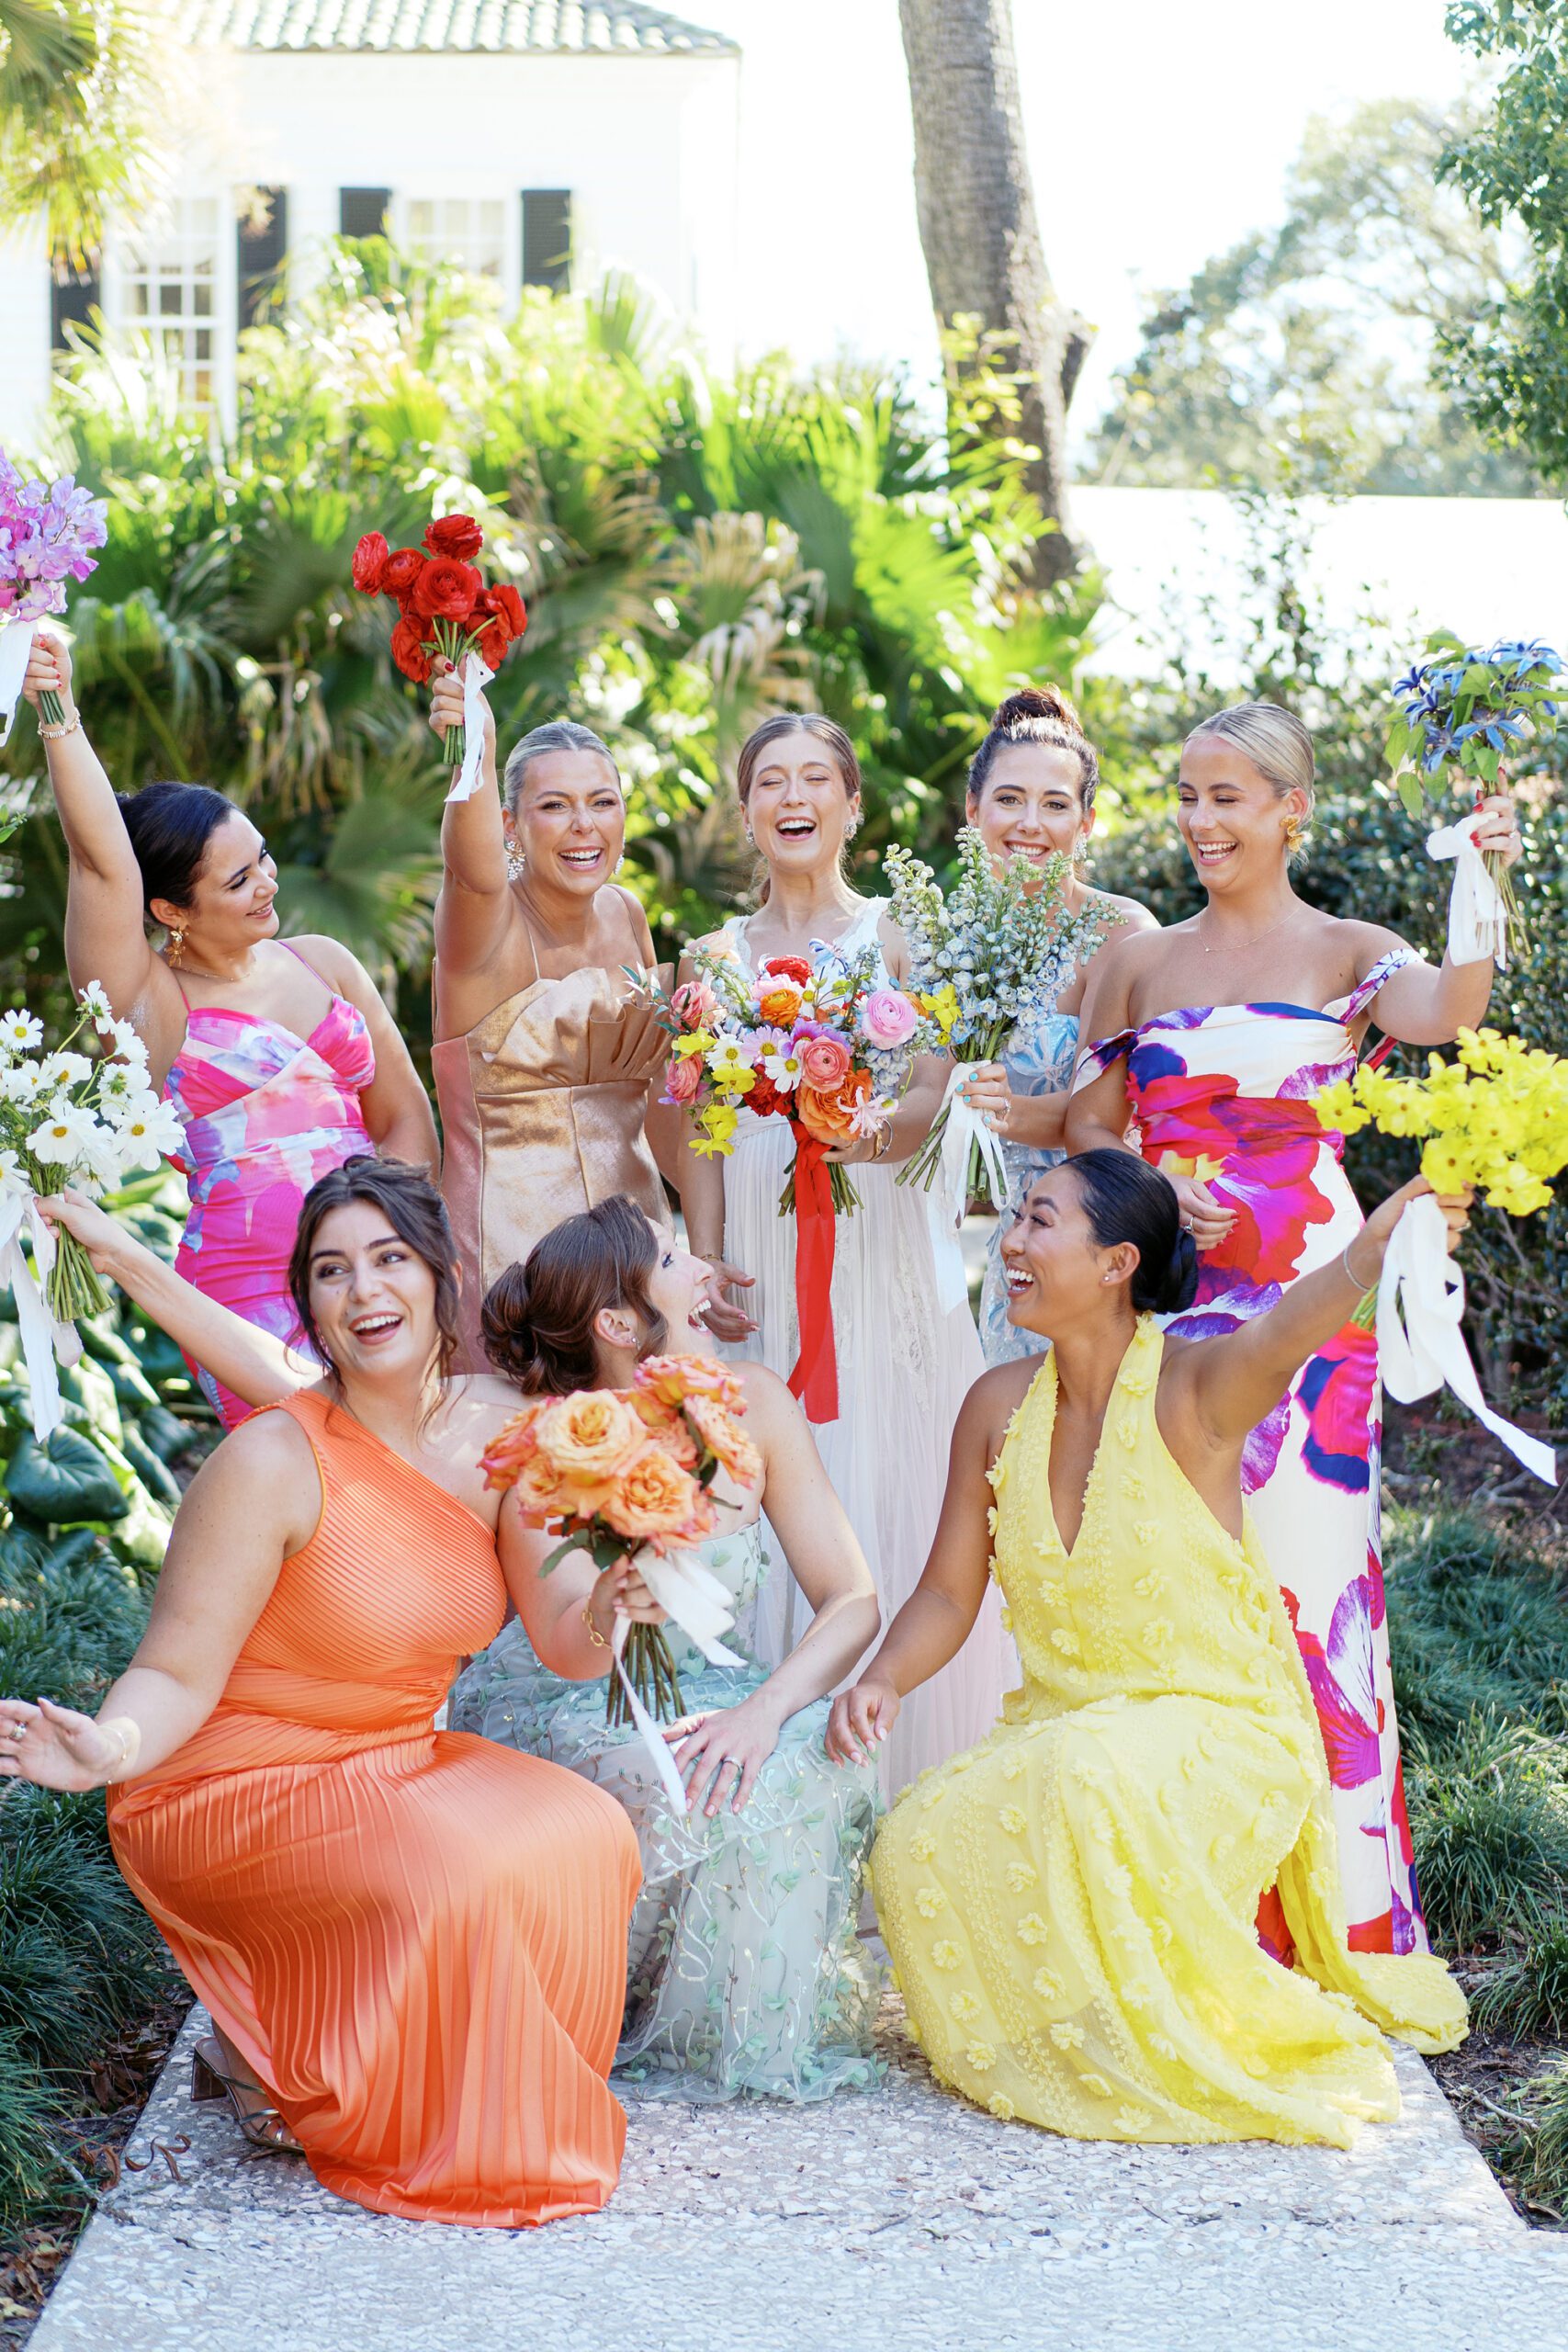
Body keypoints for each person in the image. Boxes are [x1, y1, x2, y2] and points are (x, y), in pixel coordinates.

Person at [3, 1159, 641, 2227]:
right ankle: (322, 2078)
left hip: (393, 1756)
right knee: (465, 1874)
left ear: (441, 1273)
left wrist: (618, 1601)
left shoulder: (506, 1431)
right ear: (311, 1304)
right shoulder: (272, 1459)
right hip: (228, 1777)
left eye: (390, 1258)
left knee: (589, 1830)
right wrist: (110, 1747)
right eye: (333, 1270)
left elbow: (568, 1642)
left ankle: (313, 2053)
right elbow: (173, 1669)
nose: (364, 1291)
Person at [829, 1151, 1468, 2146]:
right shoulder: (996, 1407)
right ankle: (1057, 2046)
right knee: (915, 1837)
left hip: (1221, 1729)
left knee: (1083, 1778)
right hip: (1065, 1730)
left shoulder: (1196, 1385)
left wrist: (1366, 1254)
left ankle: (1156, 2045)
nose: (1012, 1243)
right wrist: (880, 1678)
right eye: (1016, 1221)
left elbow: (1286, 1328)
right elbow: (949, 1593)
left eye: (1040, 1221)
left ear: (1119, 1260)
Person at [1064, 701, 1522, 1958]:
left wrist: (1478, 873)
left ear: (1287, 810)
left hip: (1314, 1299)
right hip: (1173, 1298)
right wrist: (1156, 1188)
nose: (1200, 820)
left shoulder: (1346, 950)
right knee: (1181, 1583)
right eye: (1187, 795)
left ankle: (1333, 1923)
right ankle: (1191, 1914)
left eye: (1227, 797)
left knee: (1309, 1582)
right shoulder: (1144, 963)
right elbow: (1089, 1124)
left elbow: (1453, 1010)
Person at [451, 1194, 885, 2103]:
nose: (704, 1268)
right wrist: (612, 1594)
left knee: (797, 1756)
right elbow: (568, 1648)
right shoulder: (549, 1443)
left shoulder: (755, 1401)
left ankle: (747, 2032)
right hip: (576, 1692)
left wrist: (767, 1712)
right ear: (618, 1320)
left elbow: (852, 1599)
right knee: (676, 1771)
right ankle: (611, 2009)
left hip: (723, 1685)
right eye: (677, 1258)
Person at [675, 713, 1008, 1799]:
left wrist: (861, 1133)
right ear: (746, 812)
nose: (793, 795)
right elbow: (704, 1124)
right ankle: (777, 1776)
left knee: (901, 1449)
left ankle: (914, 1777)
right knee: (789, 1454)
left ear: (852, 805)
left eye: (816, 776)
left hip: (880, 1228)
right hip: (772, 1245)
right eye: (770, 780)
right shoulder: (710, 958)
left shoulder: (903, 936)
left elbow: (928, 1093)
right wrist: (709, 1254)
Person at [19, 630, 436, 1427]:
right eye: (238, 879)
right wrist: (57, 710)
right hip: (248, 1289)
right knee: (315, 1475)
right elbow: (101, 863)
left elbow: (404, 1117)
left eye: (264, 858)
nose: (266, 883)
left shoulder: (325, 961)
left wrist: (401, 1241)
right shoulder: (156, 1011)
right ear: (171, 911)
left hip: (380, 1267)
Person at [426, 665, 671, 1369]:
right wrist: (477, 744)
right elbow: (469, 869)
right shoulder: (484, 924)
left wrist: (699, 1241)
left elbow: (657, 1094)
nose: (583, 825)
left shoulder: (626, 912)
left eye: (602, 802)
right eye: (554, 806)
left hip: (637, 1238)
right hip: (516, 1255)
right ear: (510, 824)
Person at [951, 687, 1156, 1364]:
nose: (1029, 824)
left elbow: (1102, 1112)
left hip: (1108, 1241)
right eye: (1009, 800)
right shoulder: (946, 940)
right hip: (1013, 1246)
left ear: (1088, 821)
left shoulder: (1122, 934)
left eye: (1055, 804)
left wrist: (972, 1105)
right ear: (973, 810)